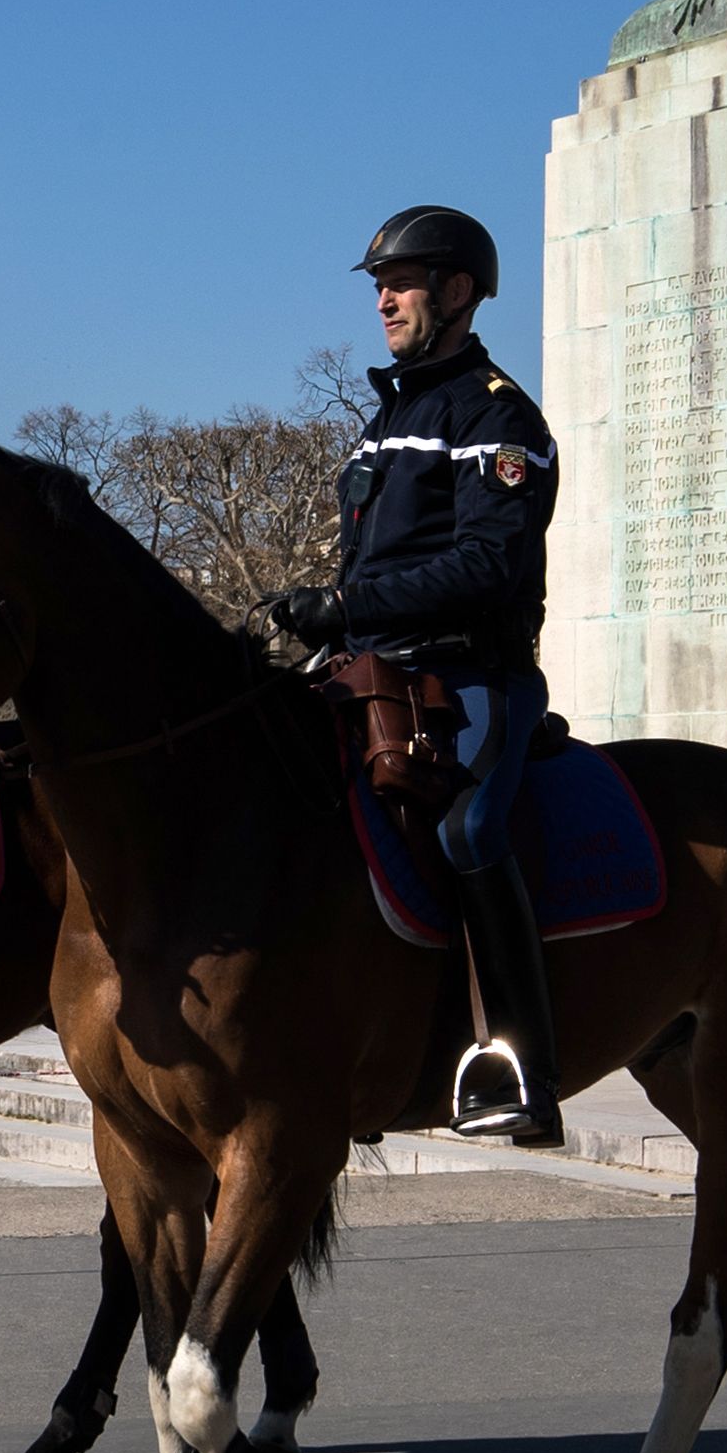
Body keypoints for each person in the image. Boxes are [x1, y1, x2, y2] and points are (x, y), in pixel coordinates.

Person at [259, 208, 567, 1144]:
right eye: (378, 285)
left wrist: (351, 608)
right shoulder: (385, 421)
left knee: (471, 827)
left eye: (401, 282)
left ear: (459, 292)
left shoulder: (496, 412)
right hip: (377, 675)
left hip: (474, 676)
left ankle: (519, 1059)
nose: (384, 299)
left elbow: (491, 564)